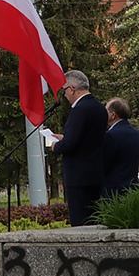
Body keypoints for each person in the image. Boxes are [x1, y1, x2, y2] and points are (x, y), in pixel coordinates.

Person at [50, 70, 108, 226]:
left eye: (64, 91)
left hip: (78, 177)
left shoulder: (79, 109)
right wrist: (66, 138)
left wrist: (56, 146)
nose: (64, 95)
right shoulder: (99, 107)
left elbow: (71, 144)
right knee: (95, 222)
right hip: (95, 173)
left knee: (80, 224)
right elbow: (87, 138)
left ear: (72, 88)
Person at [102, 97, 139, 199]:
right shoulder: (135, 133)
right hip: (132, 189)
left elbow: (104, 163)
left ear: (113, 115)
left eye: (106, 110)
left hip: (113, 192)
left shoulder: (111, 135)